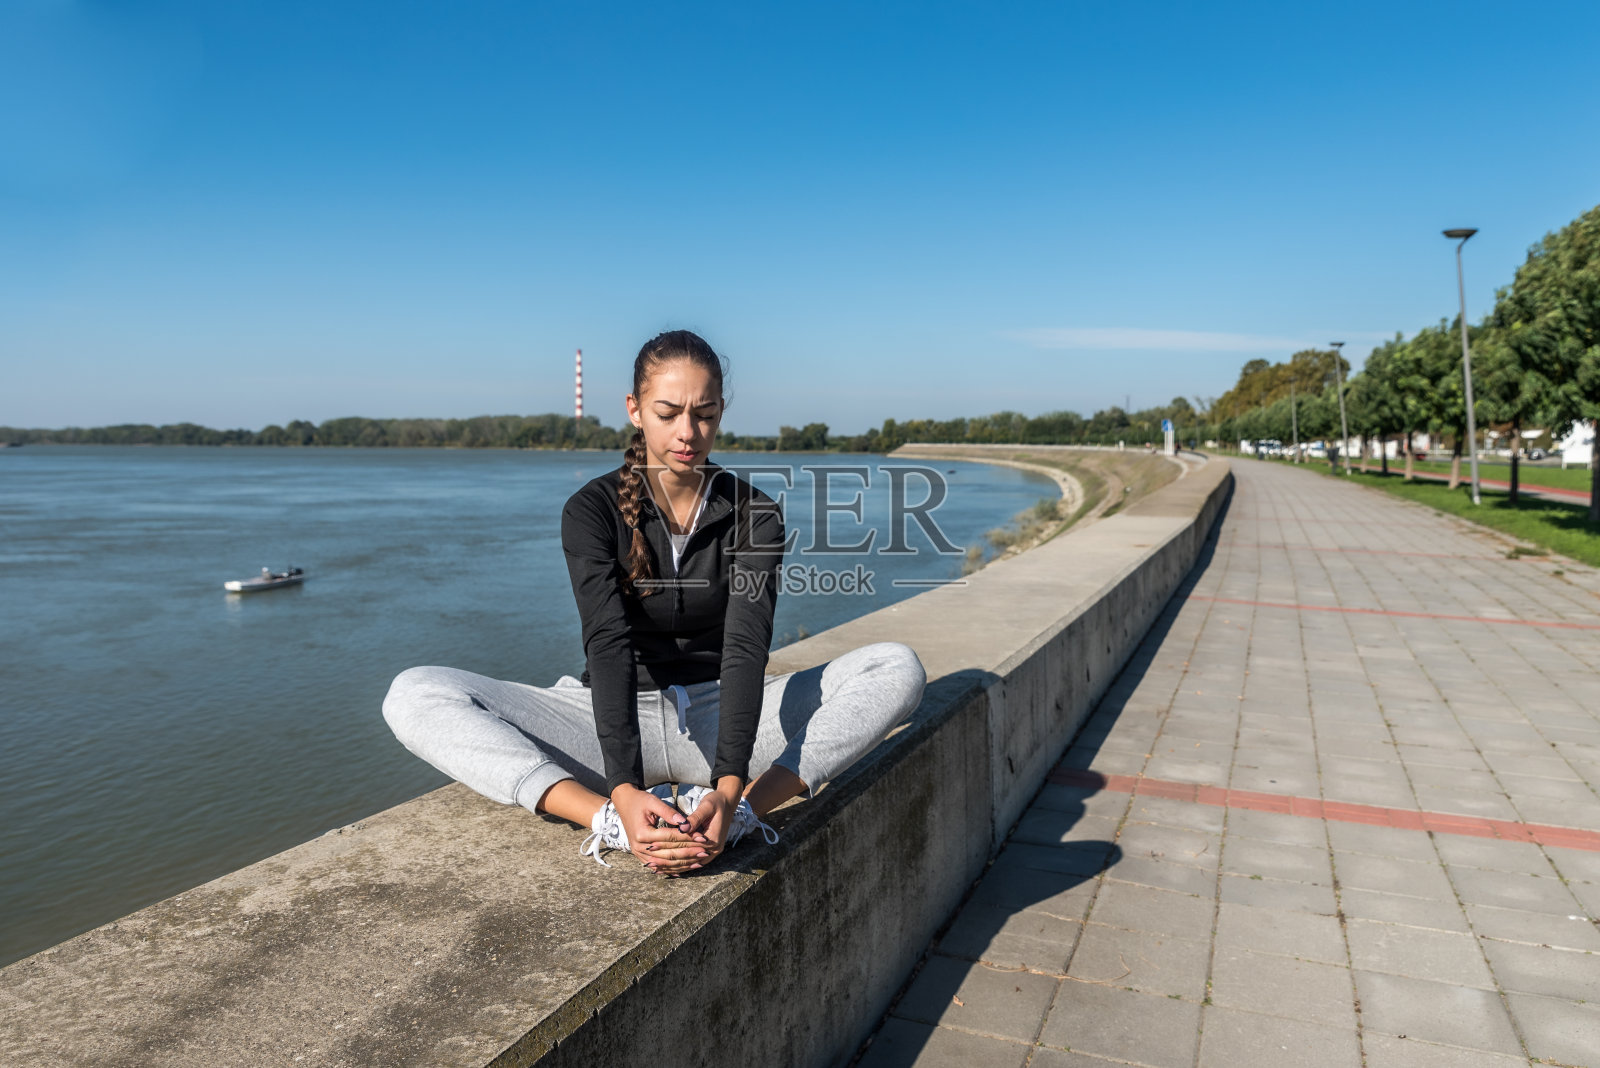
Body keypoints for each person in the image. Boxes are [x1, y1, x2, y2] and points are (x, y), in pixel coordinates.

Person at [382, 330, 925, 875]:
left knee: (895, 666)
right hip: (609, 721)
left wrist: (732, 790)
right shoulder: (591, 511)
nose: (689, 433)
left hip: (720, 718)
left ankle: (738, 818)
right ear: (635, 410)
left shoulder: (754, 515)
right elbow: (608, 644)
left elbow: (745, 645)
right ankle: (604, 822)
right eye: (668, 413)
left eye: (705, 414)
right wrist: (619, 791)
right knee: (415, 694)